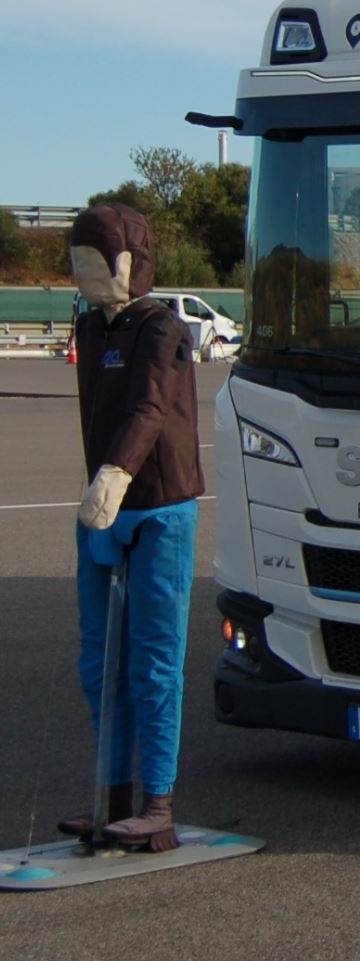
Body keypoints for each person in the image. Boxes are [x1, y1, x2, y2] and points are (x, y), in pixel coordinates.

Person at [59, 204, 206, 853]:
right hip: (104, 506)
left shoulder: (162, 327)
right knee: (100, 662)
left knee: (153, 659)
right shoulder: (91, 327)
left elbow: (150, 407)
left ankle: (158, 804)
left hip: (157, 503)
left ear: (131, 263)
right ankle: (111, 799)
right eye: (79, 262)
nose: (85, 274)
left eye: (98, 262)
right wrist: (99, 484)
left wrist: (115, 474)